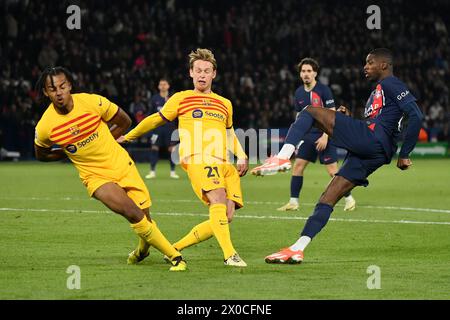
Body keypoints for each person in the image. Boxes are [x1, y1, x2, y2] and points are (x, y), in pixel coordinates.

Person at [251, 48, 423, 264]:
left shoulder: (390, 83)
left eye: (370, 62)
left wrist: (405, 153)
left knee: (310, 112)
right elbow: (383, 121)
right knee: (328, 197)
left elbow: (416, 115)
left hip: (373, 141)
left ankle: (283, 156)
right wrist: (351, 120)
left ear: (384, 65)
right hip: (375, 151)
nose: (365, 67)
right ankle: (297, 249)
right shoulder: (379, 91)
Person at [33, 66, 186, 271]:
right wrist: (67, 152)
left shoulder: (92, 101)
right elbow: (41, 154)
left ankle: (142, 251)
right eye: (52, 89)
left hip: (121, 164)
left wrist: (105, 140)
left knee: (144, 218)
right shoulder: (45, 126)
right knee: (132, 212)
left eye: (62, 86)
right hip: (95, 177)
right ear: (45, 92)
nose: (59, 92)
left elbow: (124, 121)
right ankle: (175, 256)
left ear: (69, 85)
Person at [118, 48, 249, 267]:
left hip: (224, 162)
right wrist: (130, 136)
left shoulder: (225, 103)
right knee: (216, 198)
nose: (202, 75)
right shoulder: (181, 98)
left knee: (226, 215)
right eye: (198, 70)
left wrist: (242, 155)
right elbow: (154, 120)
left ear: (214, 74)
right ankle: (230, 255)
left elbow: (229, 133)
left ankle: (174, 248)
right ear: (191, 73)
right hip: (198, 157)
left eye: (206, 71)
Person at [277, 58, 356, 212]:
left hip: (325, 134)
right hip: (308, 136)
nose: (306, 74)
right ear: (300, 74)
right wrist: (298, 138)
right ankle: (293, 202)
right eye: (303, 71)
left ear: (315, 73)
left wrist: (326, 136)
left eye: (309, 71)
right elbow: (299, 117)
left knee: (333, 171)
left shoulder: (323, 90)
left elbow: (332, 114)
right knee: (298, 166)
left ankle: (349, 199)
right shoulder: (299, 92)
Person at [145, 78, 180, 179]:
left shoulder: (173, 99)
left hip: (170, 129)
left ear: (168, 86)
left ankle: (173, 172)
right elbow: (150, 115)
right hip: (157, 129)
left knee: (172, 150)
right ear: (158, 86)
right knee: (154, 148)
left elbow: (177, 114)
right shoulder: (154, 99)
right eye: (161, 84)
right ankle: (152, 172)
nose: (163, 86)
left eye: (165, 84)